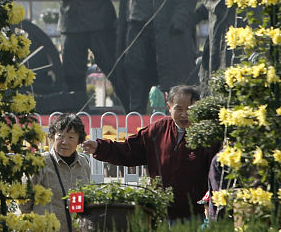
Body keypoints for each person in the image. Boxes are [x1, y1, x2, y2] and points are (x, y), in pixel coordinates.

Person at [82, 85, 217, 222]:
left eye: (190, 109)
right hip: (161, 211)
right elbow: (129, 150)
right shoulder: (158, 130)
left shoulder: (206, 135)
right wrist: (100, 147)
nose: (184, 114)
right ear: (168, 107)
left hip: (195, 214)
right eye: (179, 109)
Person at [21, 114, 91, 232]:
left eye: (71, 137)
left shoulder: (83, 164)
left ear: (79, 141)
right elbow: (24, 202)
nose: (64, 142)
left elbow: (83, 200)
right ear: (51, 137)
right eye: (60, 136)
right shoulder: (39, 163)